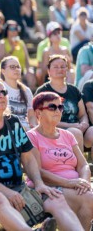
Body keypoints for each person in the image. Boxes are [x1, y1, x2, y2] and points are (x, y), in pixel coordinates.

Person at [0, 76, 84, 231]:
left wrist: (39, 183)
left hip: (17, 186)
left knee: (56, 198)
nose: (1, 96)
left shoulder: (12, 122)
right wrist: (6, 192)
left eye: (4, 92)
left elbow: (28, 157)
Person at [28, 91, 93, 231]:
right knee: (89, 199)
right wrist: (69, 183)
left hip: (76, 187)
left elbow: (83, 165)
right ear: (38, 113)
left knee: (88, 198)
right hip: (48, 188)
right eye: (52, 107)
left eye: (60, 107)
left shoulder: (68, 135)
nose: (58, 111)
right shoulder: (32, 136)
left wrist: (85, 182)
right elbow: (37, 171)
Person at [35, 55, 93, 154]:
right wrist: (71, 125)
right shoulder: (43, 91)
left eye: (63, 66)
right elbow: (41, 119)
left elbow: (82, 114)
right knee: (75, 132)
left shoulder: (74, 90)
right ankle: (80, 168)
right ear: (48, 71)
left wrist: (84, 123)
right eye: (56, 67)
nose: (60, 69)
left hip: (77, 128)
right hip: (54, 130)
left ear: (67, 70)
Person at [0, 20, 36, 90]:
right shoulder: (3, 43)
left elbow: (27, 59)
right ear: (7, 31)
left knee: (31, 75)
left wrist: (28, 70)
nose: (14, 31)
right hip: (6, 71)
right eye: (12, 29)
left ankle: (30, 96)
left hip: (20, 70)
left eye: (16, 28)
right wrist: (12, 50)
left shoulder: (21, 43)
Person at [0, 56, 37, 131]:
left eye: (18, 67)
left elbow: (32, 116)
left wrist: (34, 128)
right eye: (12, 67)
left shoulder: (26, 91)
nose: (16, 69)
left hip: (26, 130)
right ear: (3, 71)